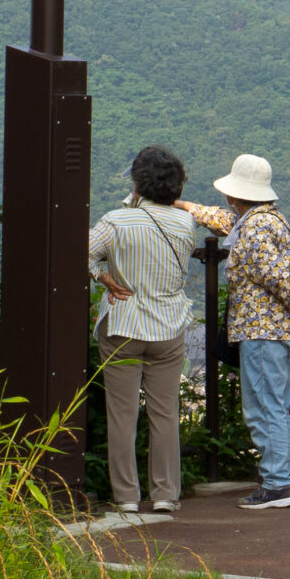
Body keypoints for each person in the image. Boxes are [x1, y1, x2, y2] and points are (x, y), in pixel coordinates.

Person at [179, 154, 290, 511]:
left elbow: (273, 273)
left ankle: (277, 484)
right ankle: (278, 478)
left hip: (262, 329)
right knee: (275, 406)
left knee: (263, 408)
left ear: (234, 194)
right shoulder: (265, 219)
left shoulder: (253, 228)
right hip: (277, 329)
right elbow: (225, 222)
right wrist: (187, 206)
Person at [87, 146, 196, 515]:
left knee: (123, 413)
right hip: (168, 327)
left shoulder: (116, 221)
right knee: (165, 412)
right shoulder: (185, 224)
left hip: (123, 324)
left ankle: (127, 497)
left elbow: (80, 250)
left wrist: (102, 276)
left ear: (137, 183)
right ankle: (166, 493)